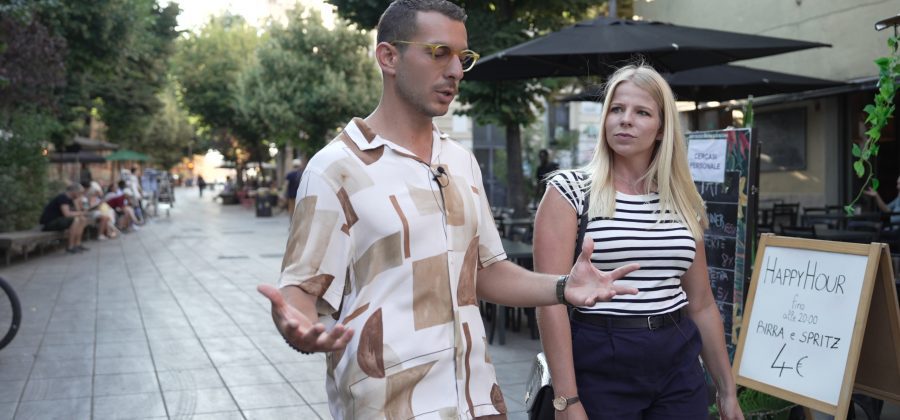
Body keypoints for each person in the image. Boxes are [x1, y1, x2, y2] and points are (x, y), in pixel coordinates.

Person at [256, 2, 640, 418]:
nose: (456, 71)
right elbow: (301, 290)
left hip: (479, 403)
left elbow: (486, 272)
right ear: (388, 57)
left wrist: (563, 288)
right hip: (390, 408)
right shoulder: (336, 168)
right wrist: (297, 327)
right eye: (439, 52)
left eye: (463, 57)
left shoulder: (459, 161)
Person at [533, 64, 743, 420]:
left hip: (677, 355)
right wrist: (566, 400)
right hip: (601, 354)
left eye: (641, 112)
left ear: (661, 129)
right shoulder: (569, 191)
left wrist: (726, 389)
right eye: (616, 109)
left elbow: (702, 302)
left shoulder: (682, 200)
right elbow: (548, 303)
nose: (625, 120)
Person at [40, 183, 90, 254]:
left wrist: (79, 206)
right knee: (76, 220)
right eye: (80, 192)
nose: (81, 194)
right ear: (74, 191)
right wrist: (81, 213)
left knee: (82, 219)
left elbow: (77, 211)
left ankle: (77, 244)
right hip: (50, 223)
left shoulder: (71, 199)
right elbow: (67, 214)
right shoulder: (63, 198)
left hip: (59, 221)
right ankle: (70, 246)